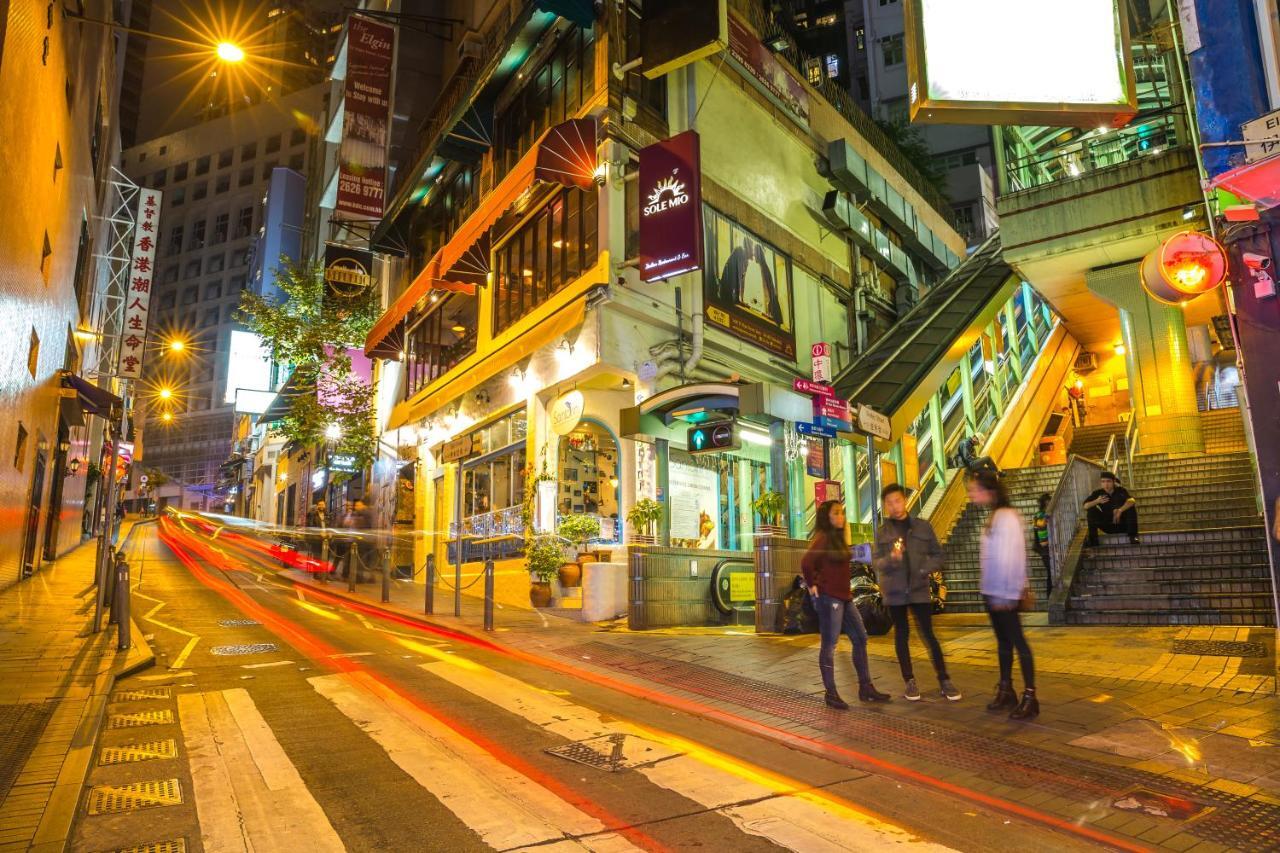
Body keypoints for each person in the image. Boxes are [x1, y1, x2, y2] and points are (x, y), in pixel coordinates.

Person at [873, 484, 960, 702]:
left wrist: (923, 569)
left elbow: (939, 556)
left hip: (919, 589)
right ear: (885, 506)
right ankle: (909, 681)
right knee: (901, 636)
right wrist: (891, 559)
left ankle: (944, 679)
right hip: (895, 592)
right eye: (889, 502)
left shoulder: (922, 527)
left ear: (905, 501)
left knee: (929, 635)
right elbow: (877, 563)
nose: (894, 506)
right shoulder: (883, 532)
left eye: (898, 500)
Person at [801, 500, 890, 709]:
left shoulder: (838, 539)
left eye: (842, 513)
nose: (841, 517)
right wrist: (813, 585)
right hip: (829, 598)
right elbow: (806, 562)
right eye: (837, 513)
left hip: (845, 598)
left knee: (860, 637)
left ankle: (865, 687)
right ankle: (830, 693)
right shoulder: (822, 539)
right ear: (827, 517)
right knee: (829, 645)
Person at [967, 469, 1038, 720]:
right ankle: (1006, 689)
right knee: (1004, 643)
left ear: (989, 491)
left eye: (974, 489)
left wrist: (1007, 594)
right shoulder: (995, 515)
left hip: (1004, 594)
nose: (971, 494)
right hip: (993, 592)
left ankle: (1031, 696)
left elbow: (1014, 557)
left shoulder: (1007, 517)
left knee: (1018, 642)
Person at [1083, 471, 1138, 546]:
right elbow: (1085, 506)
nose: (1106, 484)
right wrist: (1096, 501)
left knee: (1130, 507)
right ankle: (1093, 540)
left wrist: (1120, 510)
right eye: (1103, 482)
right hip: (1108, 525)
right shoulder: (1098, 493)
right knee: (1091, 510)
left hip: (1123, 524)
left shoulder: (1121, 490)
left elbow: (1132, 501)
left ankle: (1133, 536)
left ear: (1114, 481)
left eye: (1108, 481)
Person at [1033, 493, 1052, 597]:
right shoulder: (1040, 515)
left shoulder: (1043, 515)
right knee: (1051, 573)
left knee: (1051, 574)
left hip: (1047, 549)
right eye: (1048, 502)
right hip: (1045, 549)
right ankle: (1050, 598)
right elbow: (1043, 540)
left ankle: (1050, 598)